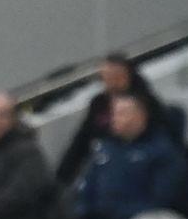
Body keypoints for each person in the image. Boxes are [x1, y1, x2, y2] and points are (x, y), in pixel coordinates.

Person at [67, 93, 186, 219]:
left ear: (140, 116)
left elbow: (160, 200)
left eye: (122, 113)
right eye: (114, 113)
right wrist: (83, 210)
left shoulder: (161, 152)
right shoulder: (106, 149)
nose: (115, 118)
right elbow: (88, 185)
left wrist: (119, 213)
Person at [56, 53, 166, 183]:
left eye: (115, 77)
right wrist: (62, 176)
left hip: (136, 165)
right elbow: (82, 139)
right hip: (102, 163)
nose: (109, 82)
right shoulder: (99, 103)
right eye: (105, 77)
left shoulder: (145, 103)